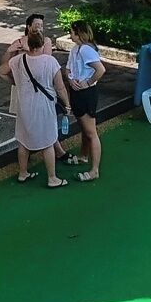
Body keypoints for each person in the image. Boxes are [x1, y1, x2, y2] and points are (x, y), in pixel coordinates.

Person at [0, 23, 69, 188]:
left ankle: (23, 173)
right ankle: (52, 178)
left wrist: (16, 83)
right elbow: (60, 87)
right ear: (42, 44)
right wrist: (67, 103)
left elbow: (1, 71)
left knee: (23, 140)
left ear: (28, 44)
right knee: (48, 141)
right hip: (44, 106)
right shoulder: (50, 61)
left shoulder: (18, 60)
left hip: (24, 105)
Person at [62, 20, 106, 182]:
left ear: (78, 33)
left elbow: (100, 69)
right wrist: (70, 79)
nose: (70, 35)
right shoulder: (75, 49)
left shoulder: (86, 50)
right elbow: (68, 69)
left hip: (86, 93)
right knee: (84, 127)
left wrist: (87, 82)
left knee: (91, 132)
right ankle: (83, 155)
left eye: (72, 32)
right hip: (77, 92)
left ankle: (94, 170)